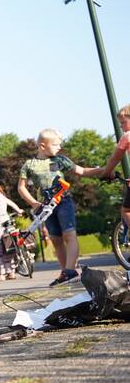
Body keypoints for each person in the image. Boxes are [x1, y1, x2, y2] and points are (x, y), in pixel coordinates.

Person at [17, 128, 107, 287]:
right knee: (56, 239)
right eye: (56, 144)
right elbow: (21, 188)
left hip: (64, 201)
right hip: (45, 207)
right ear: (42, 146)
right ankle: (66, 273)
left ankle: (70, 270)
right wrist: (34, 203)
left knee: (69, 235)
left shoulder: (61, 160)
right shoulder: (29, 165)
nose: (60, 147)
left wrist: (105, 170)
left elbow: (82, 170)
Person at [96, 104, 130, 233]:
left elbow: (114, 159)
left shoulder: (127, 136)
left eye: (123, 122)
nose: (121, 126)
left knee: (126, 210)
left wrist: (105, 173)